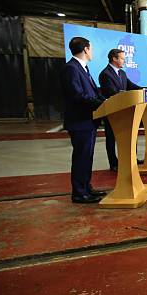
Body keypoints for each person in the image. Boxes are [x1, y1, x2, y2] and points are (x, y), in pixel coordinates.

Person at [60, 37, 105, 204]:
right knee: (81, 157)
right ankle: (79, 193)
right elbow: (77, 96)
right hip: (79, 122)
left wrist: (105, 101)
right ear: (86, 49)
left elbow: (93, 92)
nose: (92, 52)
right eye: (91, 49)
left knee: (87, 157)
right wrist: (102, 103)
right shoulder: (71, 69)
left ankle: (86, 188)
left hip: (88, 121)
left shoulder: (82, 68)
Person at [99, 48, 143, 172]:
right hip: (113, 112)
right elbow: (111, 93)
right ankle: (113, 163)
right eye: (123, 58)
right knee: (111, 138)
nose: (125, 60)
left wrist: (144, 90)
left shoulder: (122, 73)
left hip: (125, 111)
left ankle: (132, 158)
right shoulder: (105, 74)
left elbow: (131, 86)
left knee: (131, 134)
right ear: (114, 58)